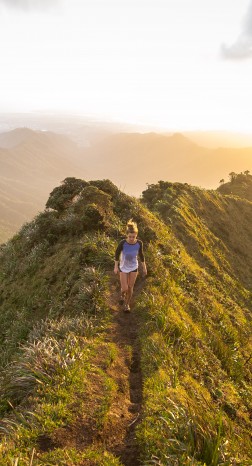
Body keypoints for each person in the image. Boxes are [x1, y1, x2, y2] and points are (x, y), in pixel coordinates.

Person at [114, 219, 147, 312]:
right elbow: (116, 254)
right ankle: (122, 295)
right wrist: (116, 266)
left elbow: (141, 255)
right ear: (127, 235)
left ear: (136, 235)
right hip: (123, 267)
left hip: (133, 267)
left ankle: (127, 305)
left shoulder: (139, 243)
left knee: (130, 287)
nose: (132, 239)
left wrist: (144, 268)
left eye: (133, 236)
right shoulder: (123, 243)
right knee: (124, 288)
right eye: (130, 237)